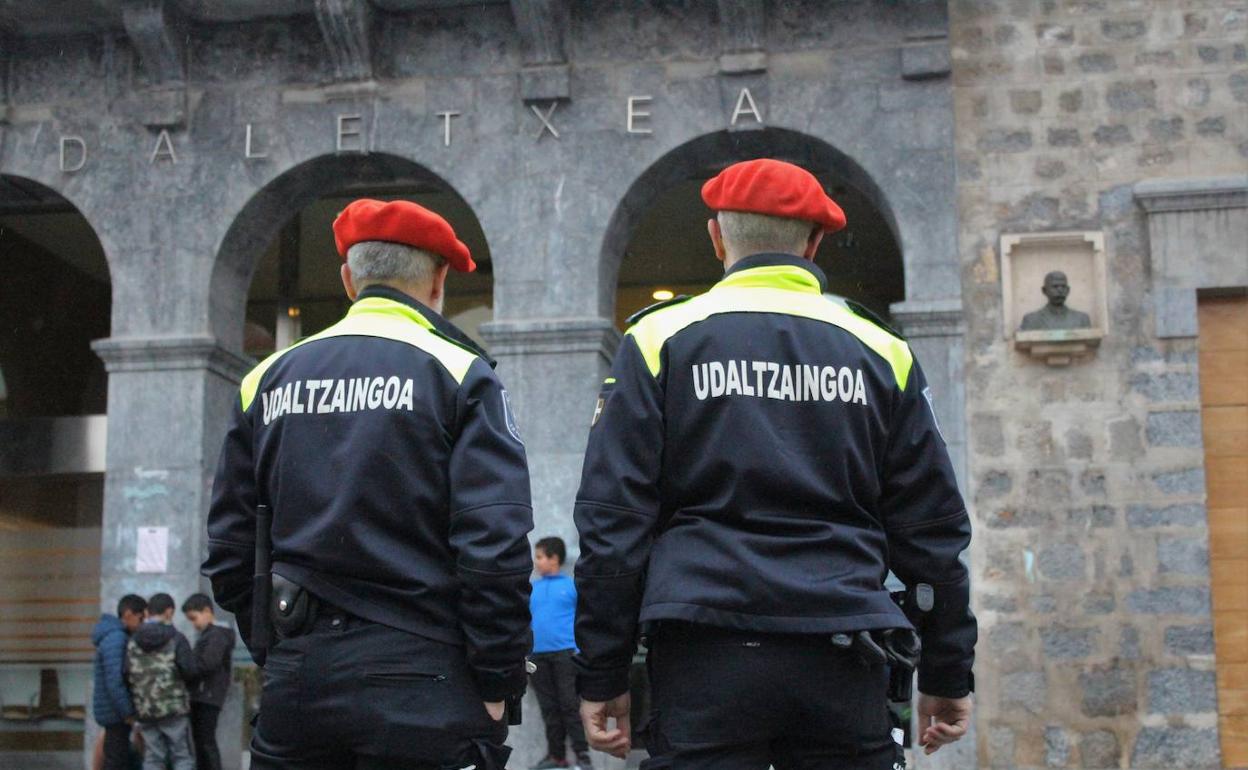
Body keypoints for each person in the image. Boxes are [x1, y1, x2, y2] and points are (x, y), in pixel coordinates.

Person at [572, 158, 977, 769]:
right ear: (814, 244)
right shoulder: (882, 350)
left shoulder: (658, 340)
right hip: (843, 648)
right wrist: (947, 669)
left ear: (716, 238)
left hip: (704, 649)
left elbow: (612, 522)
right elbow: (930, 528)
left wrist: (603, 673)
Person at [203, 198, 534, 770]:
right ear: (439, 279)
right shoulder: (460, 374)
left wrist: (280, 654)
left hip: (299, 676)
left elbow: (230, 551)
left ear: (348, 279)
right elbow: (494, 548)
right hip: (424, 673)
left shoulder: (266, 379)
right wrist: (497, 677)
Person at [529, 536, 592, 770]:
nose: (536, 561)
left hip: (566, 654)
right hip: (537, 657)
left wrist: (580, 650)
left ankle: (582, 756)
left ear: (554, 558)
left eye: (539, 557)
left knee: (569, 705)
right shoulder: (531, 589)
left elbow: (584, 619)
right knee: (549, 709)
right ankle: (556, 756)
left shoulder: (571, 587)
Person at [126, 592, 199, 770]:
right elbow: (190, 672)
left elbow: (126, 673)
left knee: (153, 757)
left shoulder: (133, 640)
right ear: (169, 612)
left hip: (145, 709)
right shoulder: (176, 638)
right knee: (181, 756)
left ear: (147, 612)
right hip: (174, 709)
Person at [92, 594, 146, 770]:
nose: (142, 624)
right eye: (141, 618)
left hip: (112, 711)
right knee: (116, 760)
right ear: (129, 614)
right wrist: (127, 712)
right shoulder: (117, 638)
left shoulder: (114, 636)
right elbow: (115, 680)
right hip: (115, 712)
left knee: (116, 758)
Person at [181, 594, 235, 770]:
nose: (194, 624)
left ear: (206, 611)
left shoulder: (217, 635)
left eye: (194, 618)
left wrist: (187, 666)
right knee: (201, 742)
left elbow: (208, 663)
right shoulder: (211, 635)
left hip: (208, 695)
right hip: (205, 694)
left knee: (205, 742)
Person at [1019, 270, 1092, 331]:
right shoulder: (1031, 320)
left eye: (1063, 286)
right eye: (1055, 286)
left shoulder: (1082, 319)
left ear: (1068, 290)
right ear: (1044, 290)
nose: (1060, 290)